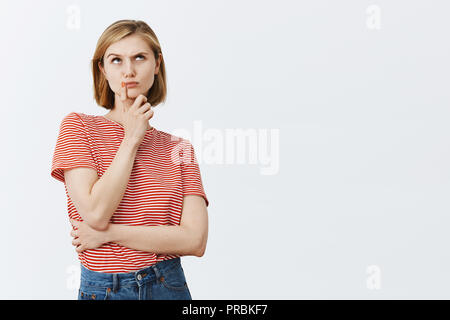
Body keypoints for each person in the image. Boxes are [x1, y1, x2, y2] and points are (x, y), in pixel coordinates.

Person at [50, 20, 209, 300]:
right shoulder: (78, 127)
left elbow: (195, 240)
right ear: (102, 69)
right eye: (116, 60)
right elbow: (96, 213)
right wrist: (132, 138)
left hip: (168, 285)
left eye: (139, 57)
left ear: (157, 64)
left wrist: (109, 234)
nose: (129, 70)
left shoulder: (180, 148)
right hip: (106, 289)